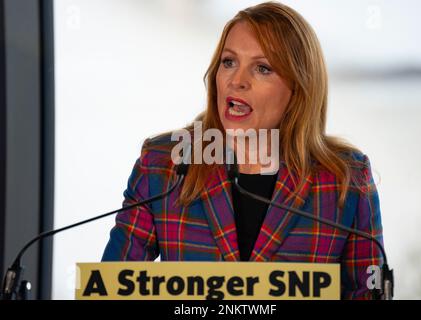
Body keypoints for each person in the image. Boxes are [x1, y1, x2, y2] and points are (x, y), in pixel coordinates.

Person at [102, 1, 385, 300]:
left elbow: (369, 294)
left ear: (299, 88)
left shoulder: (345, 179)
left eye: (262, 68)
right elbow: (113, 290)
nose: (237, 81)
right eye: (228, 62)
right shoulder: (164, 163)